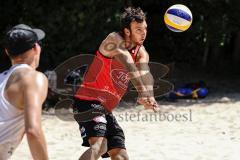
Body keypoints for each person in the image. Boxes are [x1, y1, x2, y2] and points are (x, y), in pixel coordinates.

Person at [74, 7, 159, 160]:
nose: (143, 33)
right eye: (138, 29)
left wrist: (149, 96)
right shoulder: (113, 40)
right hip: (88, 101)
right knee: (99, 146)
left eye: (145, 29)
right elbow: (129, 65)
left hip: (105, 108)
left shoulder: (141, 51)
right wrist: (142, 92)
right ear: (127, 31)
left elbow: (145, 73)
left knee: (120, 155)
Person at [0, 24, 49, 160]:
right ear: (35, 48)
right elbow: (33, 131)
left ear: (7, 51)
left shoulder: (1, 79)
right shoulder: (33, 78)